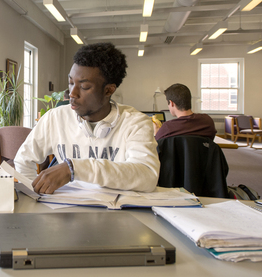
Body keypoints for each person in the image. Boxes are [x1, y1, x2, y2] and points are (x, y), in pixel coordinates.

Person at [14, 43, 160, 194]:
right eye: (71, 83)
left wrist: (74, 169)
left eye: (84, 87)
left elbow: (147, 176)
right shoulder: (55, 117)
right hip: (65, 210)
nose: (72, 93)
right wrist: (37, 195)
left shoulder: (135, 123)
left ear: (109, 90)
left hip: (117, 212)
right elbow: (23, 160)